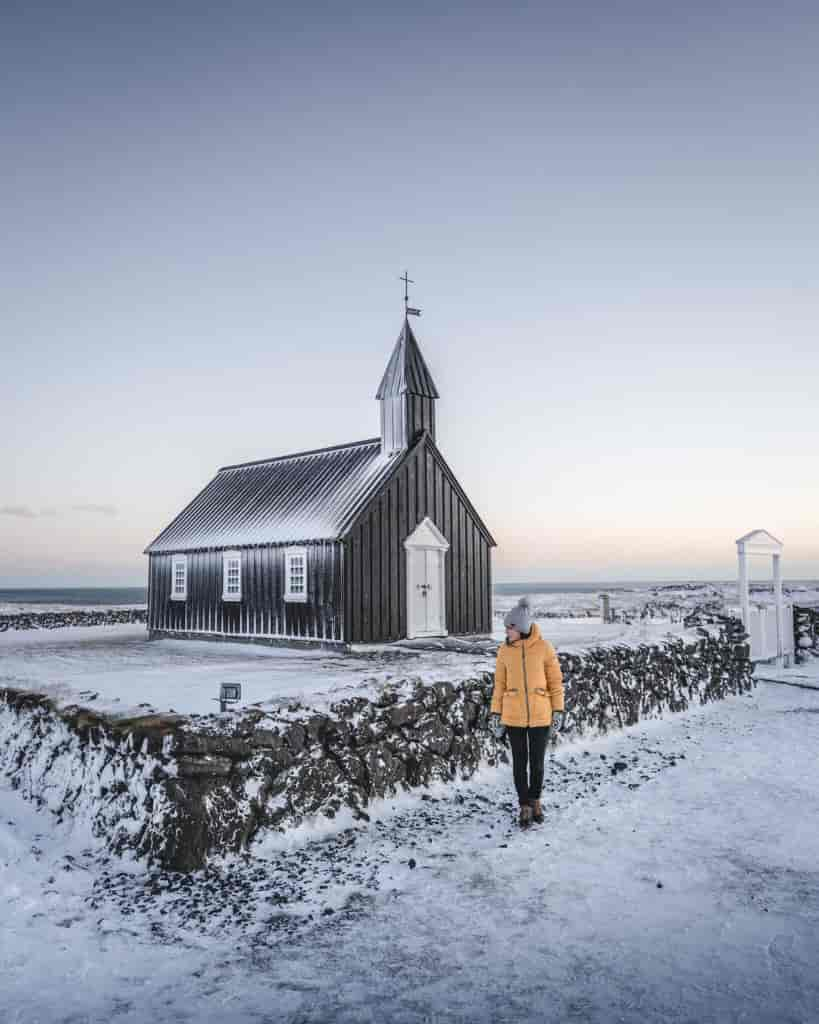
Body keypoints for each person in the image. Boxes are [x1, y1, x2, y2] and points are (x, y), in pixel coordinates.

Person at [490, 597, 565, 828]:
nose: (506, 631)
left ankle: (535, 801)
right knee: (519, 764)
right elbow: (499, 684)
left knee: (538, 764)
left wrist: (558, 710)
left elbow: (555, 682)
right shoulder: (504, 651)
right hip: (513, 716)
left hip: (541, 716)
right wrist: (496, 714)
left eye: (509, 627)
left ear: (520, 628)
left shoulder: (544, 648)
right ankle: (523, 804)